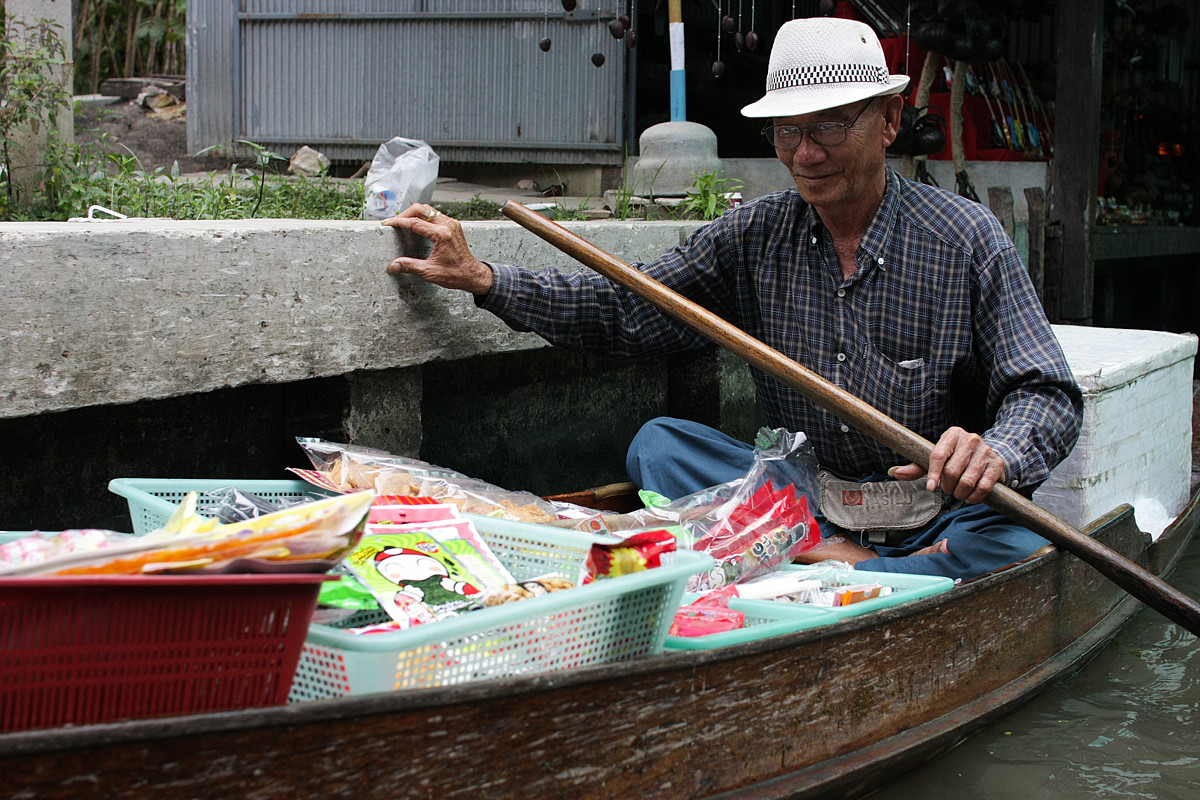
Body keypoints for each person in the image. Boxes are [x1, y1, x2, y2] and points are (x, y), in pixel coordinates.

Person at [380, 17, 1083, 581]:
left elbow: (1047, 395)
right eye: (788, 132)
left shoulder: (964, 237)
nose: (805, 154)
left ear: (890, 122)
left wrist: (992, 452)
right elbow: (631, 308)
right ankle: (848, 561)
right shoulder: (754, 234)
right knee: (660, 447)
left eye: (830, 127)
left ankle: (839, 561)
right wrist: (485, 279)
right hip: (806, 501)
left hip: (936, 515)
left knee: (1019, 537)